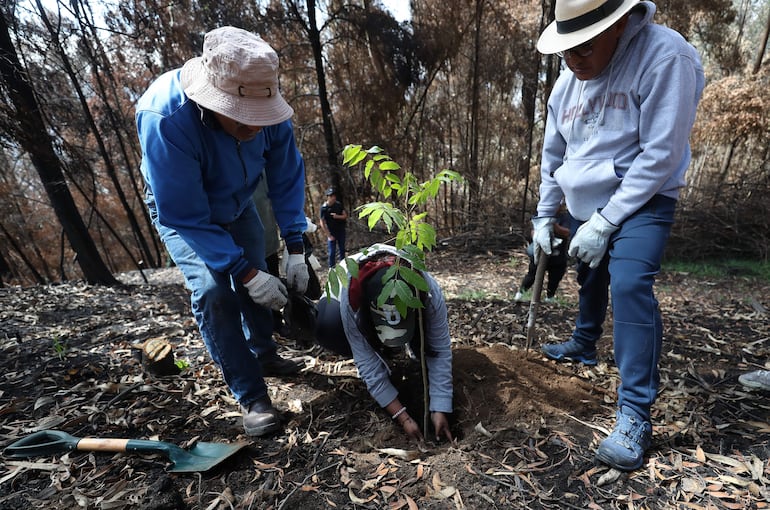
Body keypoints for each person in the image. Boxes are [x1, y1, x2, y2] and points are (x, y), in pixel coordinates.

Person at [532, 0, 705, 470]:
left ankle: (634, 413)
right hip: (587, 201)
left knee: (629, 285)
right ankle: (584, 343)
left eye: (583, 48)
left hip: (645, 197)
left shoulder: (667, 57)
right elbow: (553, 158)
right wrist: (544, 217)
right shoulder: (567, 84)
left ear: (620, 23)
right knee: (590, 276)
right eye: (566, 51)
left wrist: (610, 221)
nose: (574, 60)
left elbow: (663, 152)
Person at [136, 26, 312, 437]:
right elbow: (184, 212)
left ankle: (265, 354)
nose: (256, 127)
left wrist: (296, 244)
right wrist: (244, 273)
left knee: (258, 270)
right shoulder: (165, 117)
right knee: (216, 292)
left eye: (261, 118)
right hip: (183, 213)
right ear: (211, 99)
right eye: (243, 119)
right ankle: (251, 395)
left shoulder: (264, 101)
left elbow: (286, 176)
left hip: (238, 200)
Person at [314, 243, 453, 443]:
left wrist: (440, 406)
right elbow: (367, 365)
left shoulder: (428, 292)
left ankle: (411, 351)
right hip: (342, 307)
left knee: (424, 347)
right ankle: (380, 349)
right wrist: (402, 417)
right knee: (328, 325)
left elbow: (439, 348)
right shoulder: (351, 297)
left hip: (412, 309)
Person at [514, 205, 571, 303]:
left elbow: (567, 232)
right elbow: (532, 231)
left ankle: (550, 297)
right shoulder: (540, 215)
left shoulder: (565, 217)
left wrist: (554, 226)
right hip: (540, 253)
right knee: (532, 275)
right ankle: (520, 294)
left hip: (558, 255)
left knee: (555, 278)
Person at [319, 187, 348, 267]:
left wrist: (337, 216)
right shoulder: (324, 208)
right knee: (332, 252)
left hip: (341, 230)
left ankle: (344, 267)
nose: (333, 198)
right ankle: (331, 270)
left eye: (334, 196)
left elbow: (345, 216)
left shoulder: (338, 205)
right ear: (327, 197)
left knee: (342, 249)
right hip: (331, 232)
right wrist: (328, 235)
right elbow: (322, 222)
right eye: (331, 196)